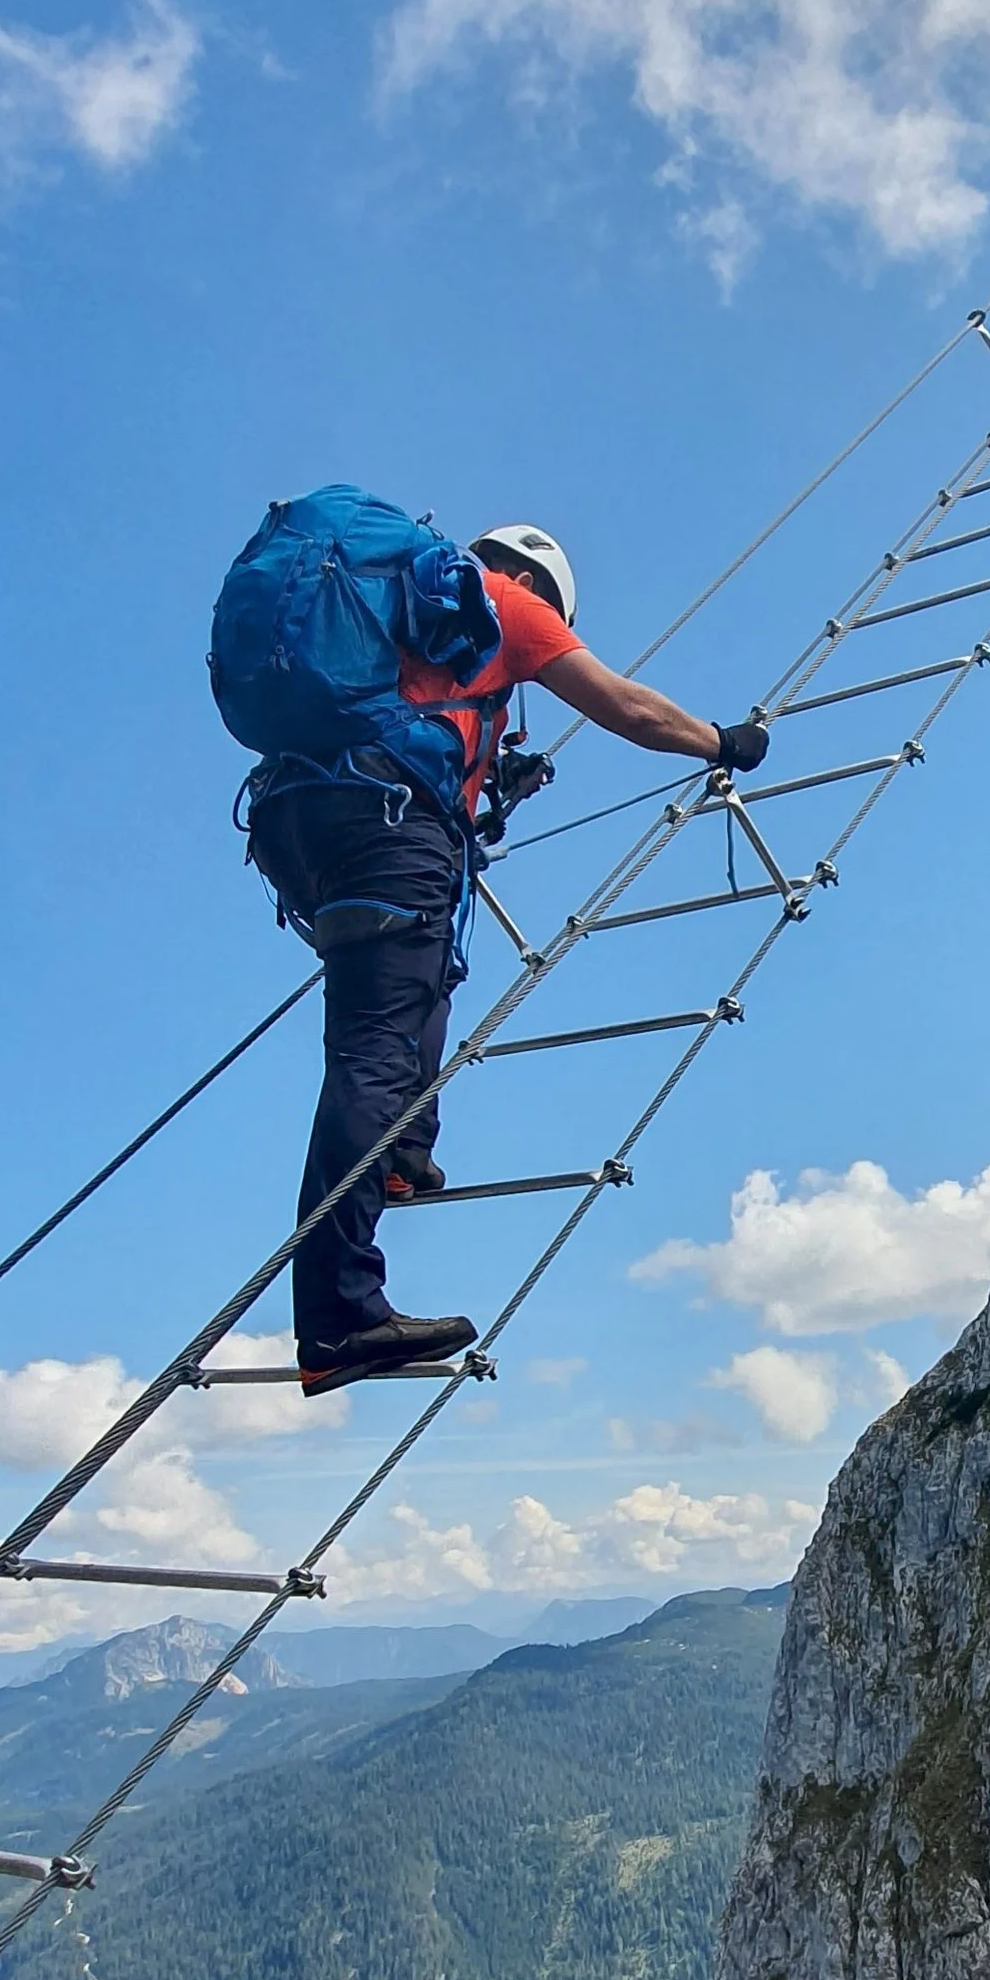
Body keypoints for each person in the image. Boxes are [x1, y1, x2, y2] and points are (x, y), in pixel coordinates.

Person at [243, 521, 771, 1395]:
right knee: (374, 1050)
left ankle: (402, 1154)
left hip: (302, 821)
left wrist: (483, 786)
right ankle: (338, 1319)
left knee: (415, 990)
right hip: (387, 823)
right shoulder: (502, 602)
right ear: (535, 584)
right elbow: (629, 710)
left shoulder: (401, 616)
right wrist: (722, 741)